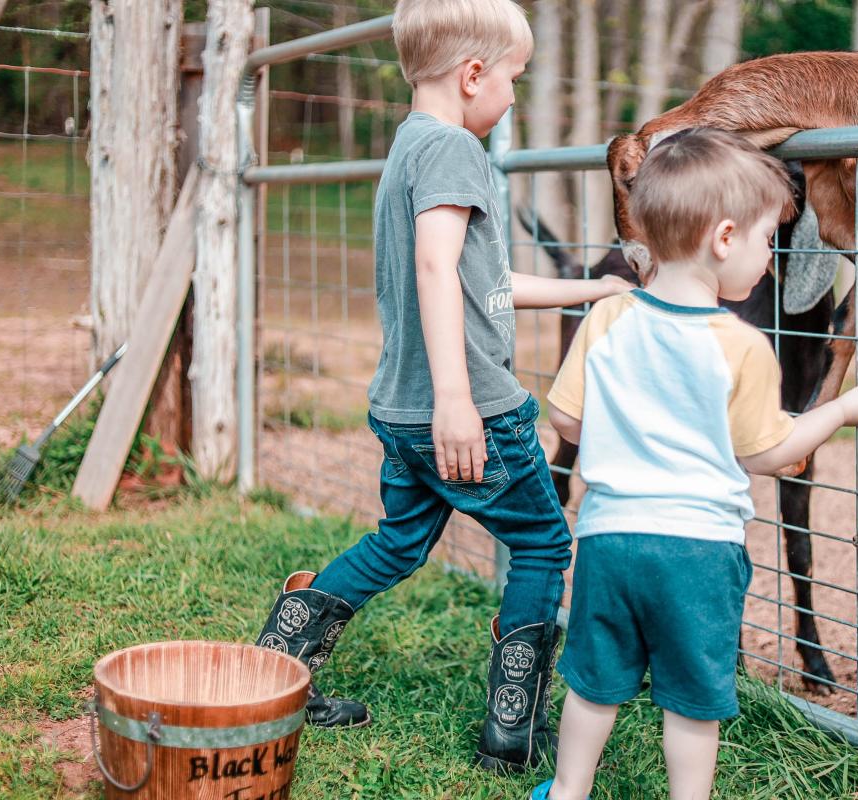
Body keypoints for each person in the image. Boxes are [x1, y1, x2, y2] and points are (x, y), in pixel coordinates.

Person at [251, 0, 628, 773]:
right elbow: (432, 267)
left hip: (401, 409)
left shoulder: (412, 148)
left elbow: (478, 279)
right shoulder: (456, 150)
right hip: (467, 408)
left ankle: (277, 670)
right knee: (543, 541)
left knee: (398, 542)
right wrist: (457, 399)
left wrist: (594, 292)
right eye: (515, 78)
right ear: (472, 75)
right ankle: (511, 732)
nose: (516, 97)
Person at [530, 128, 858, 800]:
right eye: (764, 240)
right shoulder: (744, 347)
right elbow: (768, 453)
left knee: (593, 683)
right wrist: (840, 412)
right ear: (724, 240)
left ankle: (568, 790)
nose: (768, 257)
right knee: (694, 702)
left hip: (609, 540)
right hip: (698, 554)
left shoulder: (609, 316)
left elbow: (568, 421)